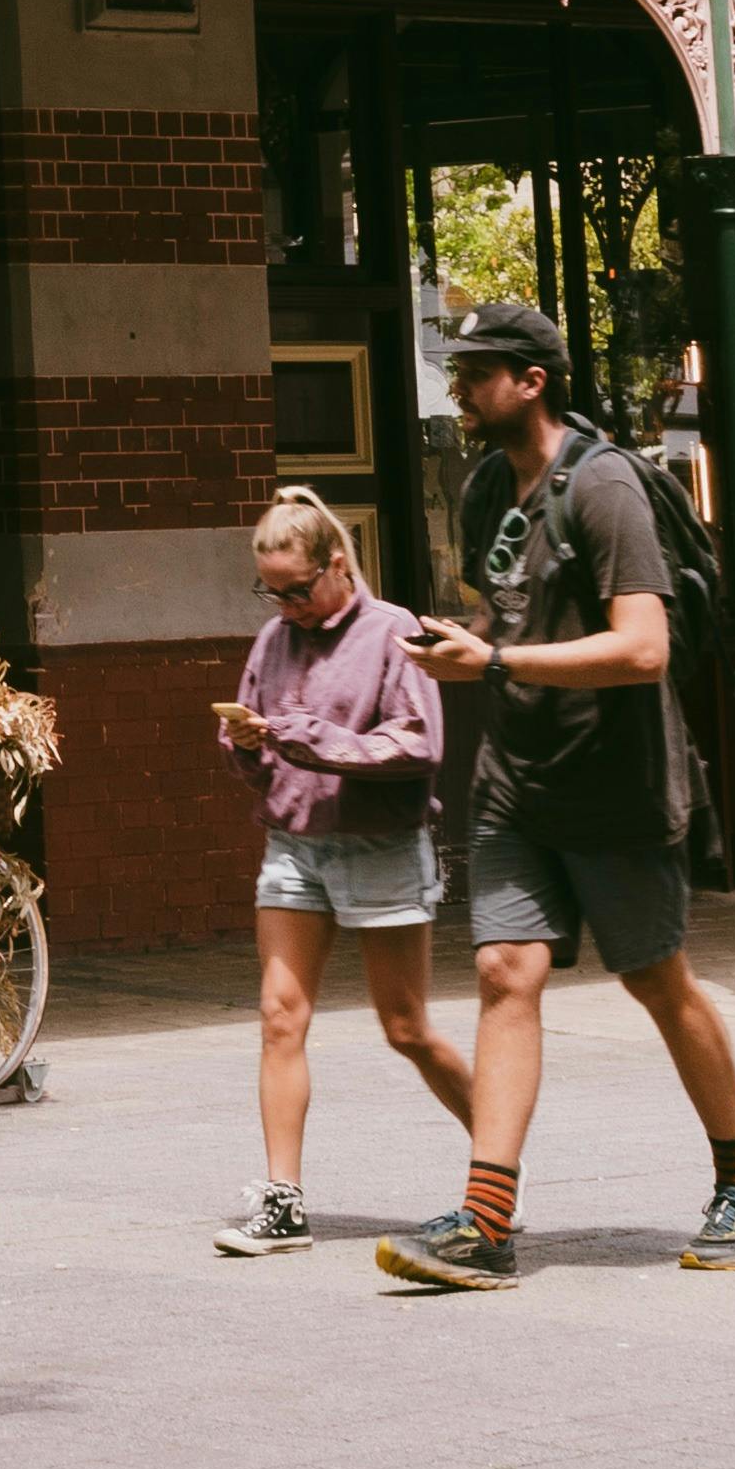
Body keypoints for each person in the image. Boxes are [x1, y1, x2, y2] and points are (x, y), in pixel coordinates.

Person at [382, 300, 735, 1288]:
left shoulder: (603, 489)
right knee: (505, 972)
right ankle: (485, 1217)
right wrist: (465, 639)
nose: (461, 389)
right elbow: (506, 607)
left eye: (477, 372)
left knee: (657, 980)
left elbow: (642, 647)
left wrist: (499, 656)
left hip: (619, 783)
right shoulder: (484, 490)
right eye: (458, 371)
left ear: (532, 380)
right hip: (517, 780)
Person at [211, 487, 475, 1255]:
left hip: (380, 845)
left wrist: (309, 739)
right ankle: (283, 1201)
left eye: (298, 589)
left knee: (408, 1028)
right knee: (280, 1016)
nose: (287, 605)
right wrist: (251, 747)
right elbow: (258, 748)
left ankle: (496, 1169)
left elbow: (419, 744)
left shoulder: (394, 631)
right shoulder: (272, 639)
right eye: (273, 590)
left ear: (337, 563)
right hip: (295, 844)